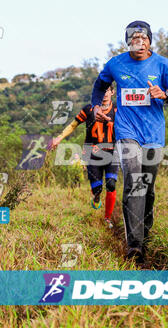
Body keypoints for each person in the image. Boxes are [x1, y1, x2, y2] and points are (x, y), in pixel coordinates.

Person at [91, 20, 168, 263]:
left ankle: (145, 234)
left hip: (154, 135)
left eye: (144, 39)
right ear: (128, 42)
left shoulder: (163, 64)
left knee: (148, 187)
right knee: (134, 182)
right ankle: (134, 245)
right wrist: (95, 106)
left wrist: (164, 94)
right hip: (126, 132)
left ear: (150, 41)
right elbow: (100, 84)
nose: (140, 43)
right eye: (135, 40)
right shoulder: (116, 64)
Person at [52, 86, 118, 228]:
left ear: (112, 92)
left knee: (111, 184)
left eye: (107, 91)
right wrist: (59, 138)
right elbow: (73, 125)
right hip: (91, 153)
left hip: (112, 152)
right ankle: (96, 196)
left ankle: (107, 218)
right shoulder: (89, 109)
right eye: (102, 91)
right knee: (97, 189)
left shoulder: (118, 111)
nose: (105, 94)